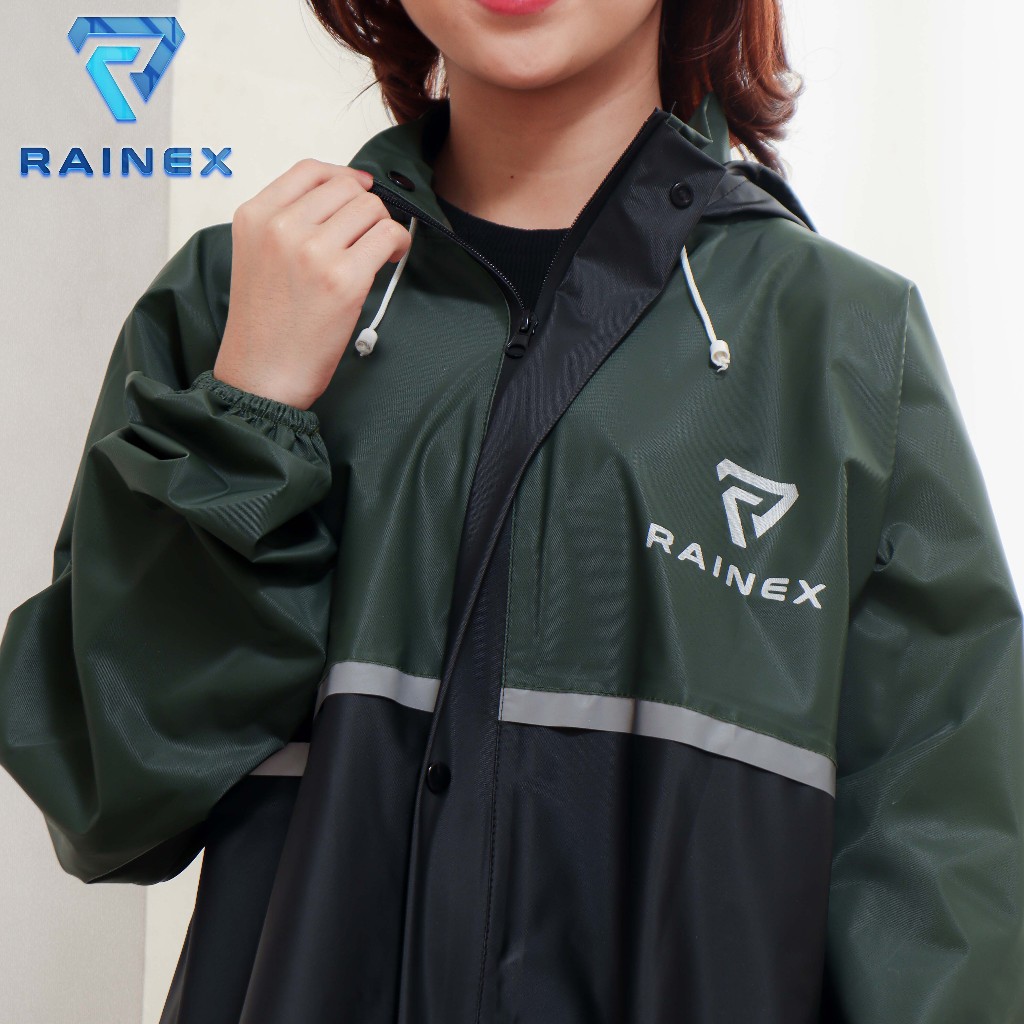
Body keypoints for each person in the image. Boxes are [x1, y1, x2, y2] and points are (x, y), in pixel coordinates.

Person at [1, 0, 1022, 1020]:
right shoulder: (239, 297)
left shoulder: (842, 343)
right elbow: (104, 791)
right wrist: (250, 412)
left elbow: (944, 891)